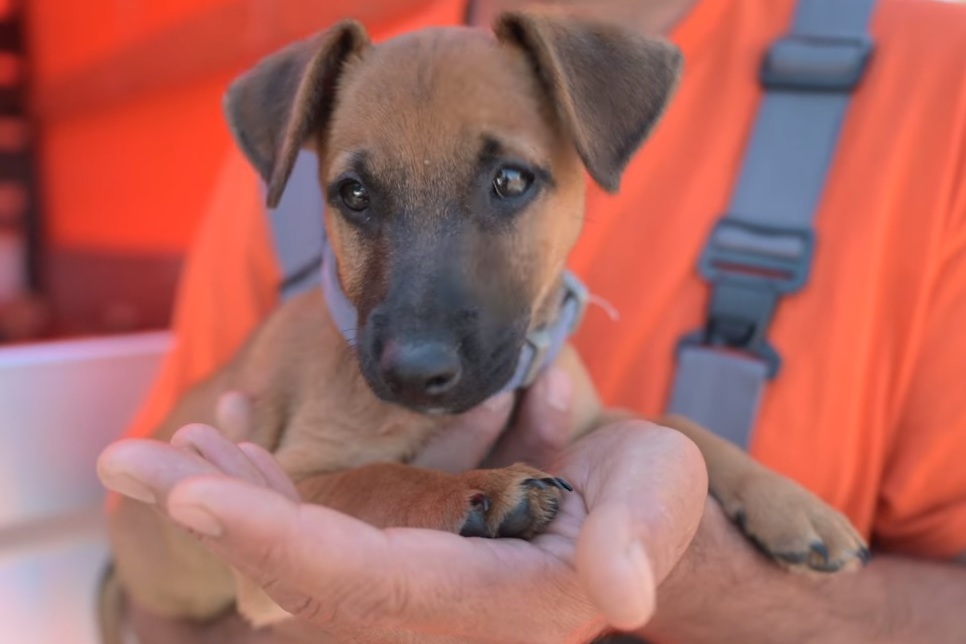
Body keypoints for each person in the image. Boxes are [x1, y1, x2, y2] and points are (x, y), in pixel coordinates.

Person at [96, 0, 966, 641]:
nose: (418, 343)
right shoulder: (340, 91)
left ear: (592, 142)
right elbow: (197, 564)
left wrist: (713, 517)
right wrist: (441, 508)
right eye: (357, 196)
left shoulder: (934, 87)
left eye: (506, 185)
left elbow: (597, 437)